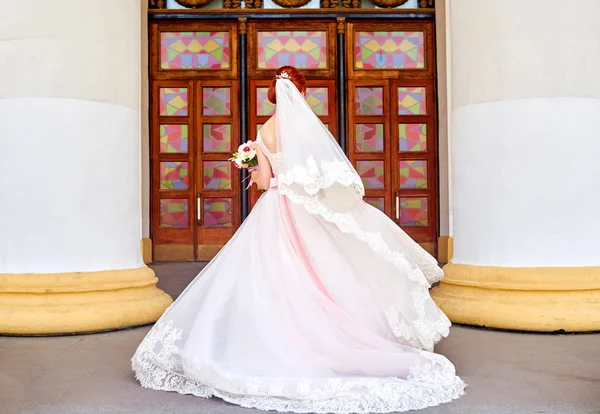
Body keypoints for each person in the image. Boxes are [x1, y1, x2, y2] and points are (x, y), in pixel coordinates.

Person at [132, 66, 465, 413]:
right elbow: (323, 175)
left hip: (275, 208)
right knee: (323, 268)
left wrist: (252, 167)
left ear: (274, 95)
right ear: (301, 94)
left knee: (273, 274)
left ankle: (272, 341)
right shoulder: (308, 127)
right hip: (305, 210)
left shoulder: (264, 130)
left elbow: (263, 182)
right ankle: (331, 336)